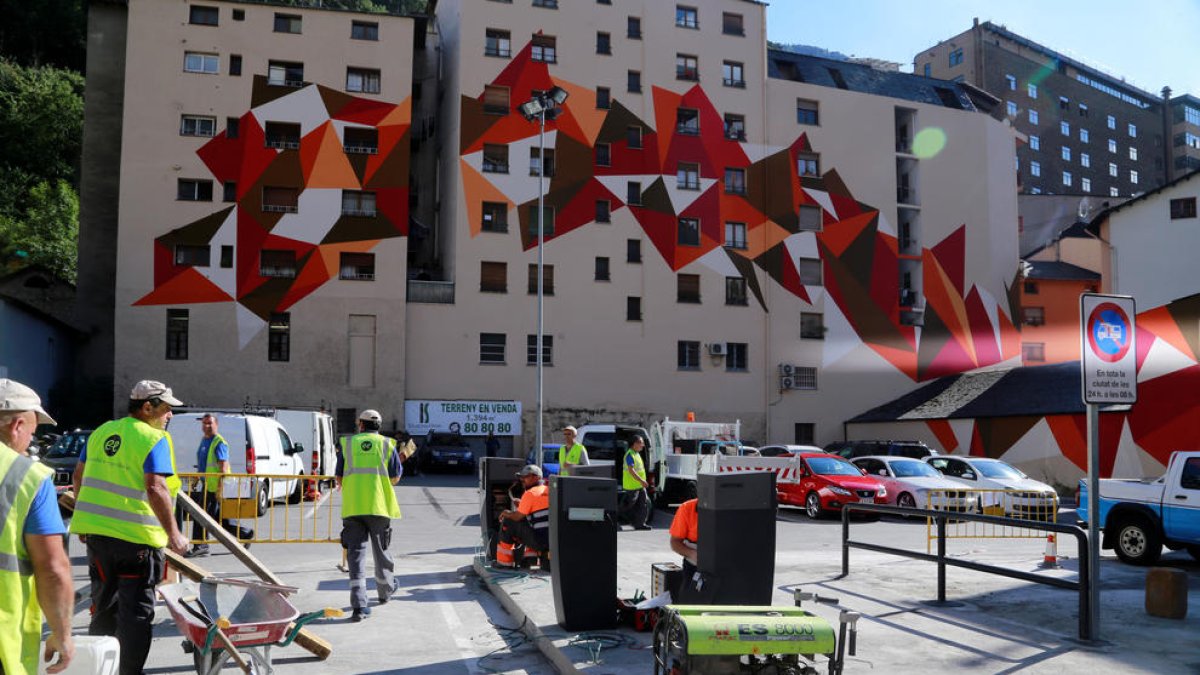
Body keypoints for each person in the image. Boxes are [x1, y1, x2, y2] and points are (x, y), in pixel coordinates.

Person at [71, 380, 189, 675]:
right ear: (148, 407)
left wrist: (85, 519)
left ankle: (100, 670)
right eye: (166, 409)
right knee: (135, 614)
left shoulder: (101, 432)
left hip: (98, 540)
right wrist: (174, 534)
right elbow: (156, 487)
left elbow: (78, 476)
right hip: (137, 542)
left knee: (103, 608)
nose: (170, 415)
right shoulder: (153, 438)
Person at [0, 379, 74, 674]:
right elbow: (52, 568)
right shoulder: (25, 475)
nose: (31, 440)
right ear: (17, 425)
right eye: (32, 432)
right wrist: (62, 633)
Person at [336, 409, 402, 622]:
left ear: (361, 425)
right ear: (379, 426)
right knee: (381, 551)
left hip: (353, 507)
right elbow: (395, 478)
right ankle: (385, 592)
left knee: (355, 556)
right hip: (378, 507)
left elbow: (339, 477)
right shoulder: (387, 444)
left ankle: (359, 606)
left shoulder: (348, 444)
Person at [185, 414, 250, 557]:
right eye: (204, 423)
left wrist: (220, 488)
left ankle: (200, 545)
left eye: (210, 423)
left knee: (200, 515)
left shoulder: (219, 442)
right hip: (208, 485)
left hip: (216, 487)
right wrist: (197, 478)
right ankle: (244, 533)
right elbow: (203, 464)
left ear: (216, 425)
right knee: (219, 518)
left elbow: (223, 467)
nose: (206, 426)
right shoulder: (205, 440)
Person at [495, 465, 549, 569]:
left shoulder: (530, 493)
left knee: (508, 521)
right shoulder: (549, 490)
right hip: (552, 540)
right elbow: (538, 511)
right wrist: (522, 504)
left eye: (526, 476)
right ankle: (530, 559)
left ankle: (504, 563)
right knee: (530, 522)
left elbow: (517, 517)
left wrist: (506, 513)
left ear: (537, 477)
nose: (522, 479)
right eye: (521, 477)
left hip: (539, 542)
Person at [669, 497, 700, 598]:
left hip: (730, 569)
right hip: (694, 567)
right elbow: (675, 542)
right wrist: (692, 553)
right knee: (688, 601)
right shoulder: (687, 508)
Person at [620, 436, 652, 530]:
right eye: (641, 443)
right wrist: (641, 480)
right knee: (629, 505)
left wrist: (642, 482)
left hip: (639, 486)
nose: (643, 445)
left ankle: (640, 524)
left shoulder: (636, 454)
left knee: (643, 504)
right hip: (632, 486)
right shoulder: (630, 454)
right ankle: (616, 519)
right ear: (635, 444)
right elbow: (631, 470)